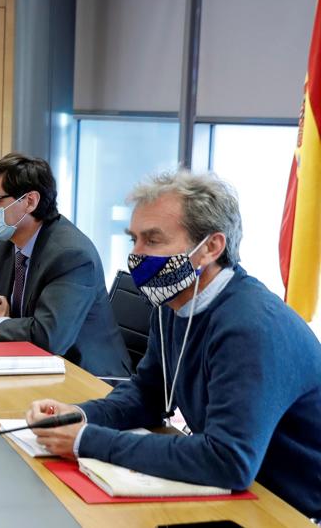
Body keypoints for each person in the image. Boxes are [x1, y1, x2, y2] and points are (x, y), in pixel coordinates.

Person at [28, 170, 321, 519]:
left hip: (293, 508)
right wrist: (80, 415)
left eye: (152, 240)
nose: (135, 255)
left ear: (211, 247)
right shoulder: (176, 301)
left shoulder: (250, 325)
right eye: (134, 239)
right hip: (240, 493)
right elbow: (148, 394)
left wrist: (84, 440)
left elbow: (228, 460)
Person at [0, 153, 130, 378]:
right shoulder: (8, 242)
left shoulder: (70, 255)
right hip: (31, 364)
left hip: (85, 376)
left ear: (30, 201)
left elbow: (50, 338)